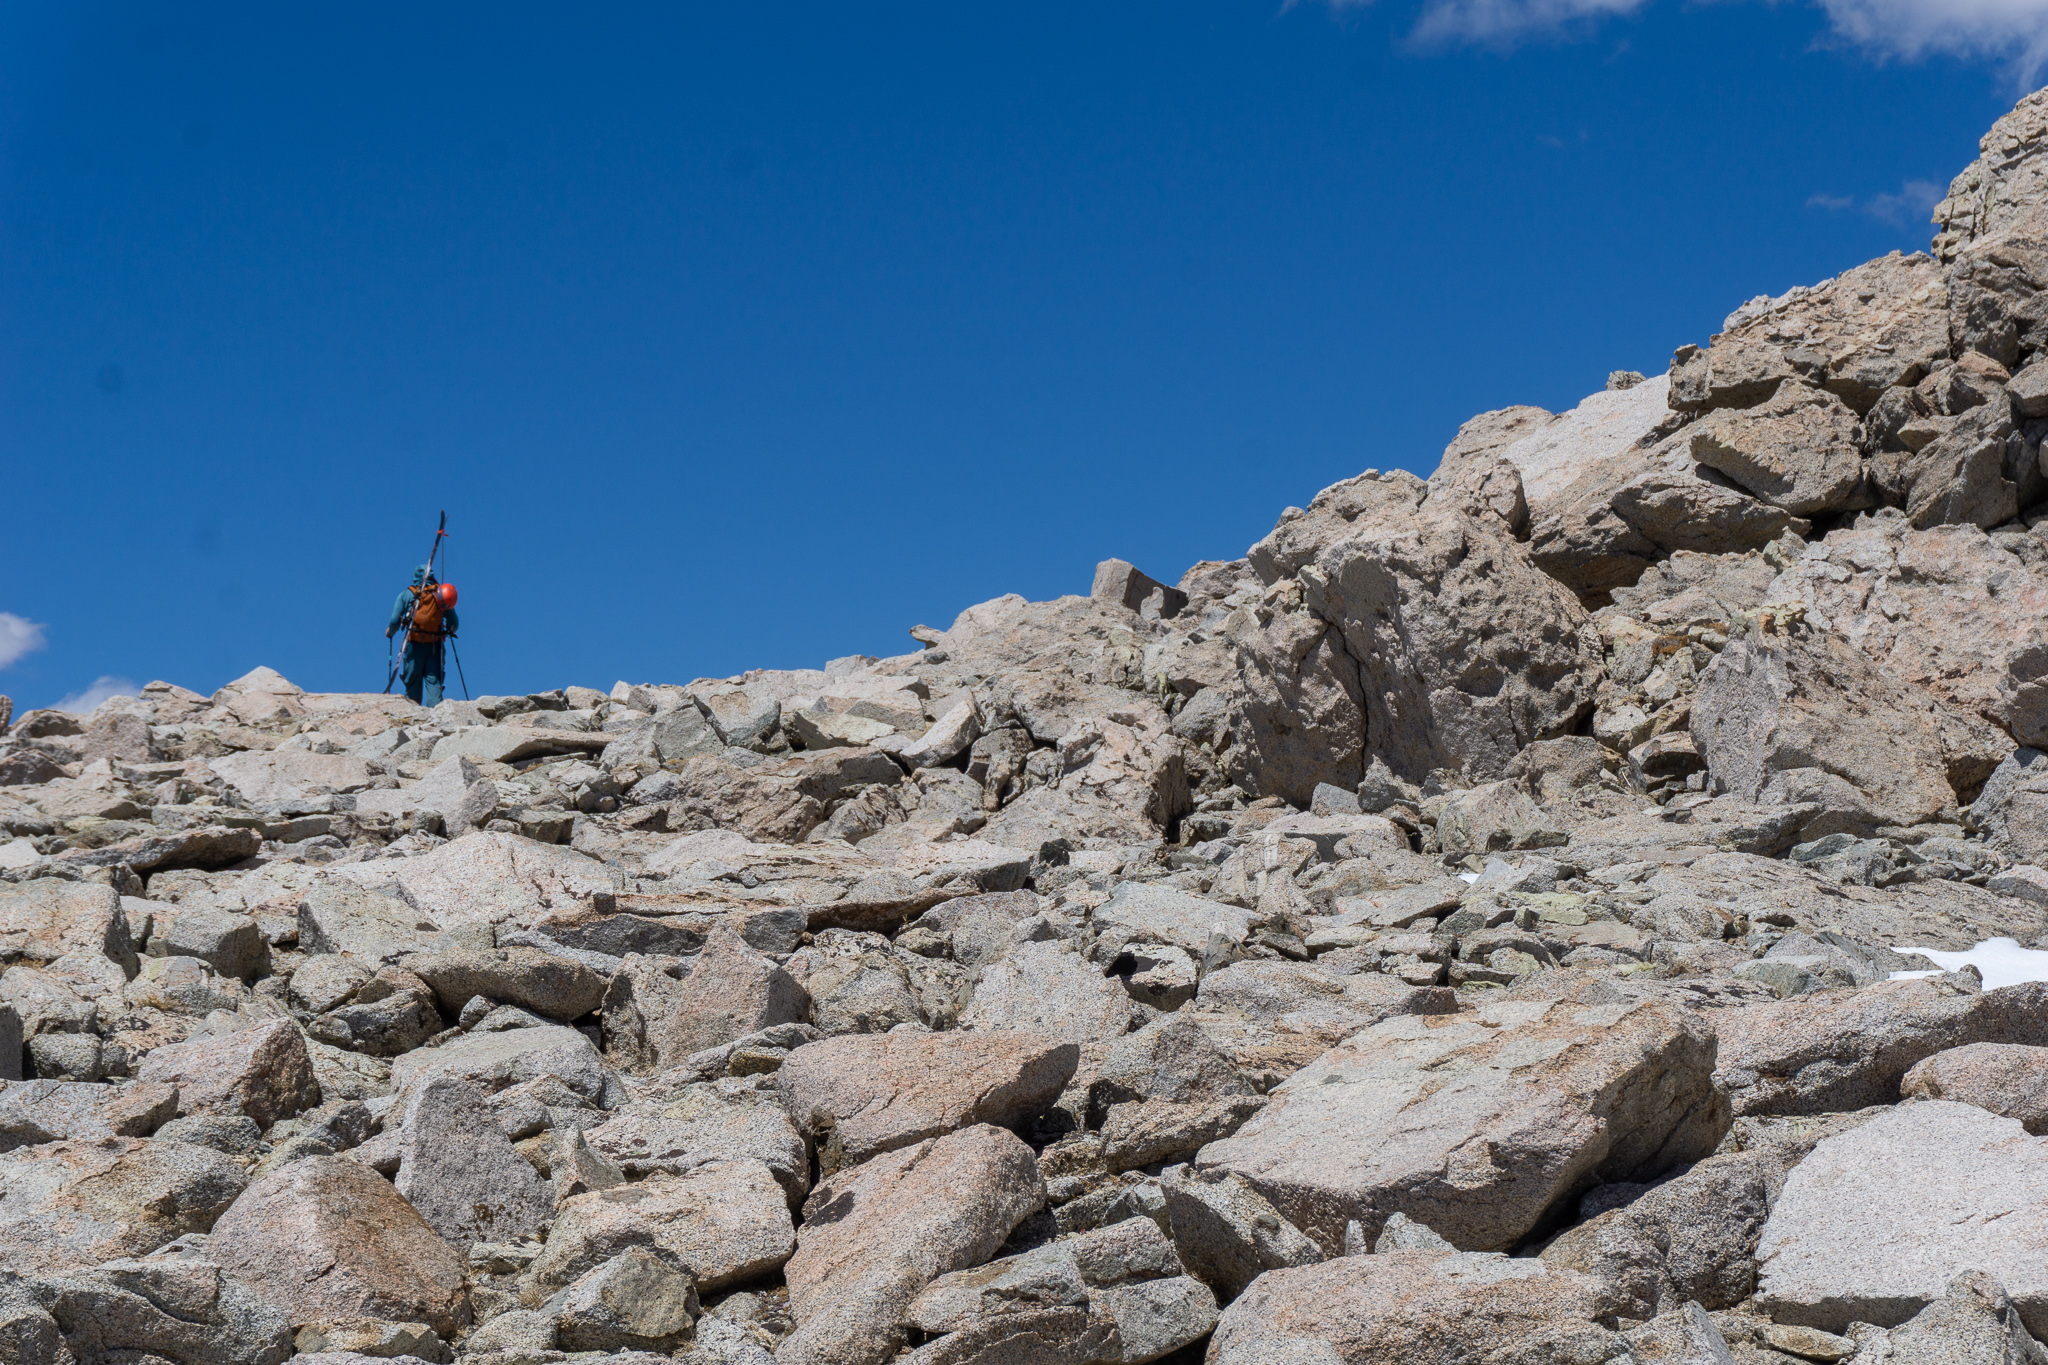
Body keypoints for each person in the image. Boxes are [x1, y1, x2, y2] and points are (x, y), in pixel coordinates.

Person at [386, 564, 458, 706]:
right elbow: (454, 623)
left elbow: (394, 621)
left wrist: (390, 633)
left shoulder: (407, 594)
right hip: (435, 647)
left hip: (414, 646)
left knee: (413, 683)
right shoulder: (440, 594)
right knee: (434, 682)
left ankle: (415, 718)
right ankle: (436, 717)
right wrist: (448, 630)